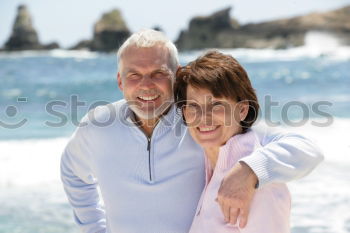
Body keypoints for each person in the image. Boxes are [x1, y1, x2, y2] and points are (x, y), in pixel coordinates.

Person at [60, 29, 323, 233]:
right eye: (134, 75)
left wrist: (248, 170)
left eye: (157, 73)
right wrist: (93, 228)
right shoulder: (97, 125)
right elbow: (72, 171)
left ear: (176, 75)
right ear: (119, 80)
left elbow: (305, 149)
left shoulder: (200, 121)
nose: (146, 85)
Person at [175, 50, 291, 233]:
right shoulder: (206, 166)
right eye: (193, 106)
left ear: (242, 110)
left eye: (216, 105)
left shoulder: (255, 184)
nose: (203, 118)